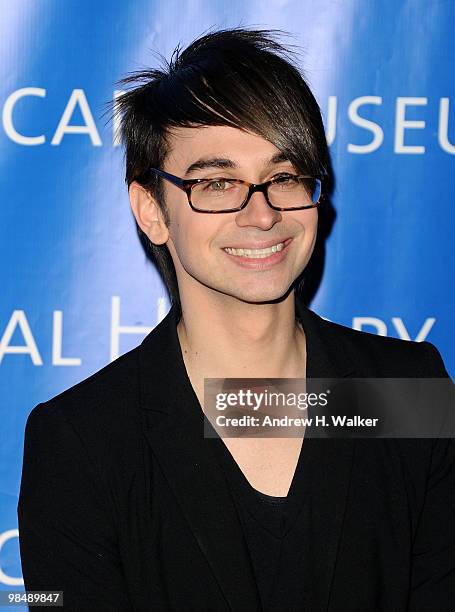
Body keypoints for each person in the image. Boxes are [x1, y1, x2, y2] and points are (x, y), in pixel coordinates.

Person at [18, 28, 454, 611]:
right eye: (217, 183)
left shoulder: (406, 392)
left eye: (284, 176)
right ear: (152, 211)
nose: (262, 212)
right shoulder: (81, 441)